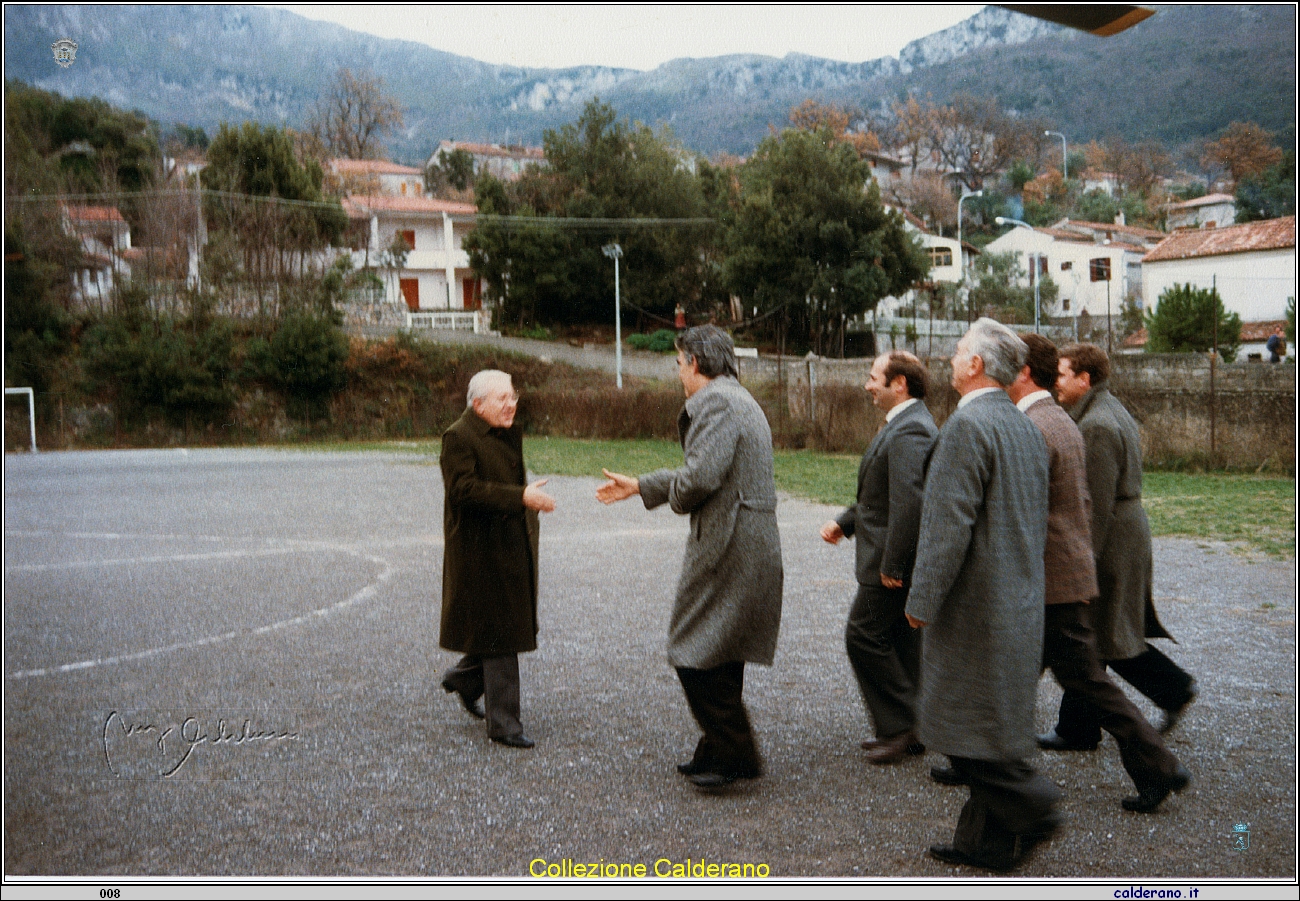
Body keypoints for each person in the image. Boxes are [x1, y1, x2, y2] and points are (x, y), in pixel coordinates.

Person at [975, 334, 1187, 813]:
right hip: (1064, 572)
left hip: (1059, 574)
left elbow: (1079, 509)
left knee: (1085, 673)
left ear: (1025, 371)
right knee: (1081, 674)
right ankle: (985, 757)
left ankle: (985, 762)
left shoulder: (1063, 424)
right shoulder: (1070, 418)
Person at [597, 325, 782, 790]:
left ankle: (736, 751)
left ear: (695, 363)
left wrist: (673, 494)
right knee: (721, 649)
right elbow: (707, 470)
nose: (678, 371)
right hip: (742, 540)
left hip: (729, 543)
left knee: (692, 648)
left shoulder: (718, 403)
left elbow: (700, 479)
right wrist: (642, 485)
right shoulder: (735, 398)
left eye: (679, 362)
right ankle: (718, 748)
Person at [904, 318, 1059, 872]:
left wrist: (921, 602)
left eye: (958, 353)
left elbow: (947, 527)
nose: (949, 360)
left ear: (976, 365)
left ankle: (1036, 807)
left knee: (963, 730)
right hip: (1016, 598)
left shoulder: (968, 428)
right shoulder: (1023, 426)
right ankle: (986, 844)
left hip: (975, 606)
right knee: (987, 724)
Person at [1049, 344, 1197, 749]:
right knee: (1099, 633)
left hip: (1112, 538)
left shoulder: (1095, 425)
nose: (1055, 382)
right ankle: (1077, 728)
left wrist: (1083, 564)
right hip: (1124, 531)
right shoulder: (1107, 410)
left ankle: (1173, 688)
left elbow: (1092, 504)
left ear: (1085, 379)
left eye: (1062, 374)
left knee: (1105, 633)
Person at [820, 351, 936, 763]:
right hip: (894, 554)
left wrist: (893, 561)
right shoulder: (905, 423)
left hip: (891, 561)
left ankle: (903, 724)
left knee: (863, 636)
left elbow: (910, 501)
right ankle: (914, 730)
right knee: (902, 639)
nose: (868, 385)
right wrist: (846, 522)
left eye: (874, 378)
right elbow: (881, 495)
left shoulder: (910, 431)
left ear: (899, 383)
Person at [438, 370, 556, 749]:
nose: (512, 404)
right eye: (503, 398)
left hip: (505, 541)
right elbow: (462, 490)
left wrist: (520, 499)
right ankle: (504, 724)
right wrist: (520, 497)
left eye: (513, 395)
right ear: (478, 405)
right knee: (502, 627)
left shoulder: (499, 430)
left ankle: (466, 678)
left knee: (500, 621)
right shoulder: (459, 436)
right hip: (478, 550)